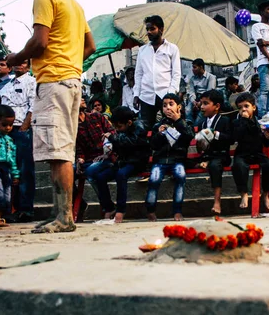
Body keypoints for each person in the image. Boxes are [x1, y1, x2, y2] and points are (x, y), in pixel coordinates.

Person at [6, 0, 96, 233]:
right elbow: (90, 46)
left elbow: (40, 41)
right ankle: (61, 214)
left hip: (55, 81)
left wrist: (15, 58)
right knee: (62, 150)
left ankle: (64, 217)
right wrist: (70, 61)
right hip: (71, 80)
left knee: (58, 152)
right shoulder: (74, 3)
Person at [94, 106, 149, 223]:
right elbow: (119, 145)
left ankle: (121, 210)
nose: (117, 129)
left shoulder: (139, 127)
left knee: (121, 175)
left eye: (119, 127)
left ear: (129, 122)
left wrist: (113, 138)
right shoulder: (121, 131)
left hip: (136, 161)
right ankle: (109, 207)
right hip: (123, 161)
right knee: (100, 177)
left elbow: (131, 142)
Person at [146, 93, 194, 221]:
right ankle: (150, 210)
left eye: (171, 104)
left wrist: (178, 121)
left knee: (180, 176)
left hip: (177, 159)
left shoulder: (186, 123)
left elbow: (188, 137)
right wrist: (159, 134)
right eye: (164, 105)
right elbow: (153, 145)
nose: (167, 108)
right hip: (160, 160)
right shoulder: (158, 125)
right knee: (154, 179)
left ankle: (177, 211)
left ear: (179, 107)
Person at [0, 58, 36, 221]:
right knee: (9, 168)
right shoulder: (6, 86)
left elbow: (33, 106)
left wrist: (25, 126)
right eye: (16, 62)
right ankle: (10, 208)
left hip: (23, 129)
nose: (19, 65)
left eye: (22, 63)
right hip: (8, 130)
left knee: (24, 169)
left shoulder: (31, 82)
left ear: (27, 66)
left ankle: (26, 209)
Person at [133, 15, 181, 131]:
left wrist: (171, 95)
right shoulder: (142, 50)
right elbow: (138, 74)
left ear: (161, 29)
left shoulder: (172, 49)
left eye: (152, 29)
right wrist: (136, 94)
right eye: (147, 29)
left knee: (169, 128)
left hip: (165, 95)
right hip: (146, 96)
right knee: (144, 130)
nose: (149, 32)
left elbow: (176, 74)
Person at [231, 92, 269, 211]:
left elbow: (267, 144)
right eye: (240, 108)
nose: (243, 110)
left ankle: (265, 194)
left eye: (246, 106)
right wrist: (244, 121)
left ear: (253, 107)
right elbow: (235, 137)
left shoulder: (260, 123)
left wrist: (268, 137)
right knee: (238, 166)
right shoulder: (236, 123)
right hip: (242, 153)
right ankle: (244, 193)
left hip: (257, 153)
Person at [75, 97, 116, 218]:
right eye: (78, 97)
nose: (82, 98)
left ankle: (108, 207)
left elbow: (113, 131)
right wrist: (79, 158)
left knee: (91, 172)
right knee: (67, 174)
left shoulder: (96, 117)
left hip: (106, 157)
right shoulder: (73, 125)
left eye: (82, 97)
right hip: (89, 160)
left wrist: (110, 135)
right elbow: (78, 148)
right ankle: (81, 204)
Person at [196, 90, 231, 215]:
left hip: (221, 155)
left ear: (216, 106)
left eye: (206, 103)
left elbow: (230, 139)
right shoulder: (202, 123)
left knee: (215, 166)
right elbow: (201, 148)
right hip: (208, 155)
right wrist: (200, 143)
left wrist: (216, 134)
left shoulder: (225, 120)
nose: (202, 107)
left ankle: (217, 201)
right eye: (201, 104)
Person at [186, 58, 216, 126]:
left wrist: (201, 102)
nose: (192, 69)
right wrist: (194, 102)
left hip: (206, 99)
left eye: (194, 67)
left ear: (201, 67)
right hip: (195, 99)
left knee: (200, 115)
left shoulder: (211, 77)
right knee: (187, 110)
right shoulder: (192, 79)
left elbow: (209, 92)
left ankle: (195, 127)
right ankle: (189, 124)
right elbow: (191, 91)